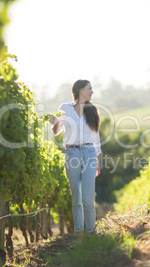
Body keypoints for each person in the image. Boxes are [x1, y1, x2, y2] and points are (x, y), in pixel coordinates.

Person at [50, 79, 101, 243]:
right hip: (72, 154)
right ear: (80, 90)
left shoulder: (92, 110)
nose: (92, 92)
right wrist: (55, 123)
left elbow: (96, 138)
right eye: (89, 89)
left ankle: (91, 235)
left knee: (88, 198)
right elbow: (57, 131)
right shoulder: (65, 108)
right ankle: (79, 239)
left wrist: (98, 160)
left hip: (89, 153)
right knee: (77, 199)